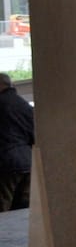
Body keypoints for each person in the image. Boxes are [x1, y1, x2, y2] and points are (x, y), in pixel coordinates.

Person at [0, 73, 33, 211]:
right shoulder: (24, 104)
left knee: (2, 210)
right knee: (23, 209)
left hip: (5, 164)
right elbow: (34, 134)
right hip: (28, 162)